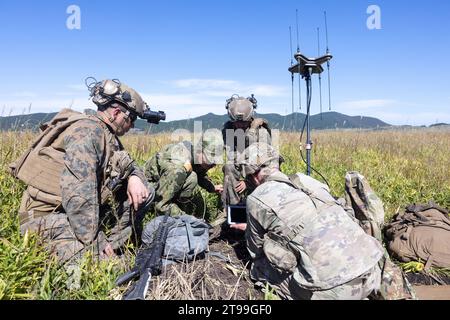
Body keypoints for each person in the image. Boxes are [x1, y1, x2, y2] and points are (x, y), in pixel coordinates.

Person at [231, 142, 415, 300]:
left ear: (253, 176)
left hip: (335, 291)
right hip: (372, 270)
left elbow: (255, 251)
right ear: (277, 164)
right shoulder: (306, 180)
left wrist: (250, 231)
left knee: (259, 269)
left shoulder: (256, 198)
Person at [15, 79, 156, 264]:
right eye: (131, 120)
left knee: (146, 191)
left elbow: (127, 161)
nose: (131, 126)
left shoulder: (107, 135)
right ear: (116, 113)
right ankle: (105, 256)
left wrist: (134, 177)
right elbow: (78, 197)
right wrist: (96, 243)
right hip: (46, 217)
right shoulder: (88, 133)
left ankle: (116, 246)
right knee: (104, 268)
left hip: (72, 212)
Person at [144, 130, 224, 218]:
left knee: (192, 176)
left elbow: (199, 173)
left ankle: (177, 205)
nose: (213, 165)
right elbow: (160, 205)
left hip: (166, 183)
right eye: (210, 160)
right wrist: (187, 219)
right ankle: (168, 211)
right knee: (192, 178)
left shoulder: (196, 157)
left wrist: (211, 187)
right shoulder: (178, 166)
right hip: (146, 191)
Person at [221, 94, 272, 209]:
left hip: (260, 168)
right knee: (229, 167)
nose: (239, 125)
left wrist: (247, 182)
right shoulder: (229, 129)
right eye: (236, 122)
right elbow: (232, 155)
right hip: (242, 164)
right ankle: (233, 208)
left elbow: (265, 161)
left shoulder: (261, 131)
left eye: (244, 123)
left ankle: (261, 208)